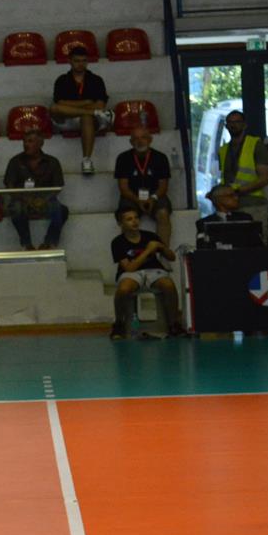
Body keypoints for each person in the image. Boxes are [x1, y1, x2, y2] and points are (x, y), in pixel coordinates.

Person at [110, 207, 185, 340]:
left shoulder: (150, 236)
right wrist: (148, 251)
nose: (134, 222)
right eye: (129, 219)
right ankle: (119, 324)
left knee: (168, 284)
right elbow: (129, 268)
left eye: (136, 218)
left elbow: (172, 257)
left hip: (153, 269)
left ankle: (174, 324)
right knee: (124, 289)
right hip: (131, 272)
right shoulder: (117, 242)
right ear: (120, 223)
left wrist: (162, 247)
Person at [3, 129, 69, 250]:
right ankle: (26, 244)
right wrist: (27, 200)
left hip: (46, 200)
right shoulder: (15, 161)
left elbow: (57, 187)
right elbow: (9, 186)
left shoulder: (52, 162)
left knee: (62, 210)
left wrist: (43, 200)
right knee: (16, 208)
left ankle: (49, 243)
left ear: (40, 144)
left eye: (30, 141)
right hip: (21, 200)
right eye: (24, 141)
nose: (26, 144)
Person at [51, 47, 111, 174]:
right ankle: (90, 113)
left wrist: (71, 108)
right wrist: (87, 103)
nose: (80, 64)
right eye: (77, 61)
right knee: (54, 109)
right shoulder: (61, 80)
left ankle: (86, 160)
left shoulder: (96, 80)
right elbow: (59, 104)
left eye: (84, 61)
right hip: (67, 120)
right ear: (70, 61)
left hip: (88, 120)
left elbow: (100, 105)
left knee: (86, 118)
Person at [114, 127, 173, 246]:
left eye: (143, 137)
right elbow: (123, 188)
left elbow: (163, 187)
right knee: (127, 216)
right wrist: (138, 200)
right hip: (131, 196)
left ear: (150, 140)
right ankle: (129, 252)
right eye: (136, 139)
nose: (140, 141)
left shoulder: (160, 158)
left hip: (155, 195)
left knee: (163, 213)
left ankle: (163, 251)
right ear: (131, 142)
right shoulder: (123, 158)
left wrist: (152, 199)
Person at [217, 110, 268, 239]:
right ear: (226, 126)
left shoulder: (255, 144)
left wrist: (237, 190)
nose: (233, 125)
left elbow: (264, 178)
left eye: (237, 122)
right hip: (230, 206)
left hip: (253, 204)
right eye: (230, 122)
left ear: (244, 125)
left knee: (256, 242)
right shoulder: (223, 150)